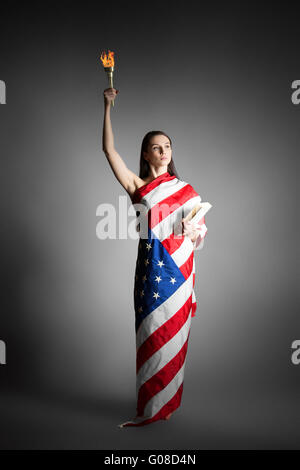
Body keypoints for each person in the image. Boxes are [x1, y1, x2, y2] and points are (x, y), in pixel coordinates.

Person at [102, 88, 208, 427]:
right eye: (156, 147)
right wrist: (107, 107)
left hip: (179, 275)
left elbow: (200, 229)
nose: (163, 151)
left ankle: (168, 406)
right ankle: (149, 408)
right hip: (151, 276)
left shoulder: (186, 190)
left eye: (167, 146)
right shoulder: (137, 186)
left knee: (175, 342)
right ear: (146, 154)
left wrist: (194, 232)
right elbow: (108, 150)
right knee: (152, 342)